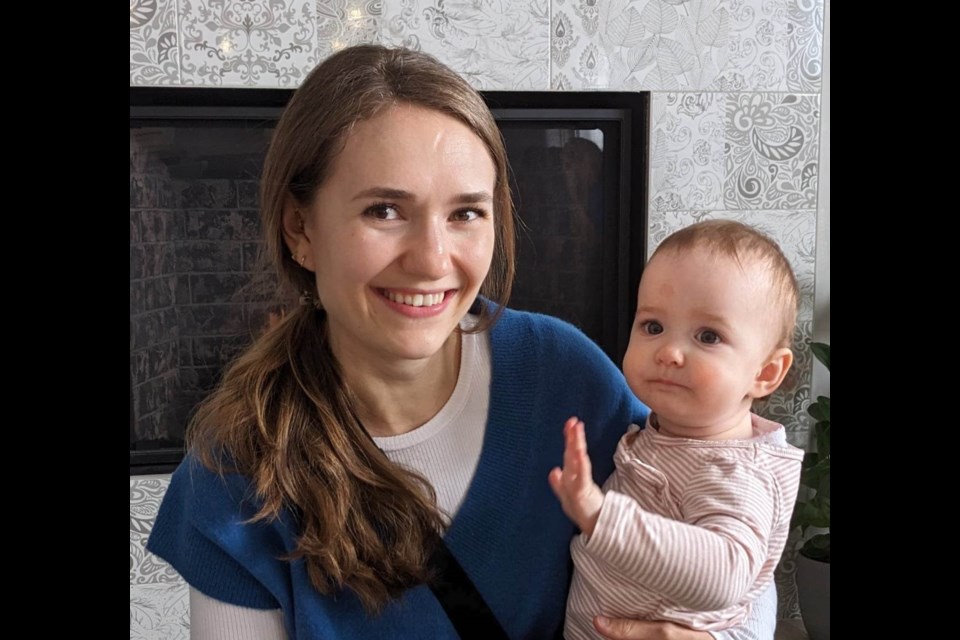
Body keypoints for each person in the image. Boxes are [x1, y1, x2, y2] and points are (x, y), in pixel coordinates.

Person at [145, 44, 777, 640]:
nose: (431, 260)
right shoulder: (235, 469)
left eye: (466, 213)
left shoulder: (565, 375)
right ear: (300, 228)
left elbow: (736, 548)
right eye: (384, 211)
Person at [549, 220, 804, 639]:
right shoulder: (670, 434)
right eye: (652, 326)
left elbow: (727, 575)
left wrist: (601, 517)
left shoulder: (732, 472)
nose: (668, 351)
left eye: (708, 336)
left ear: (766, 372)